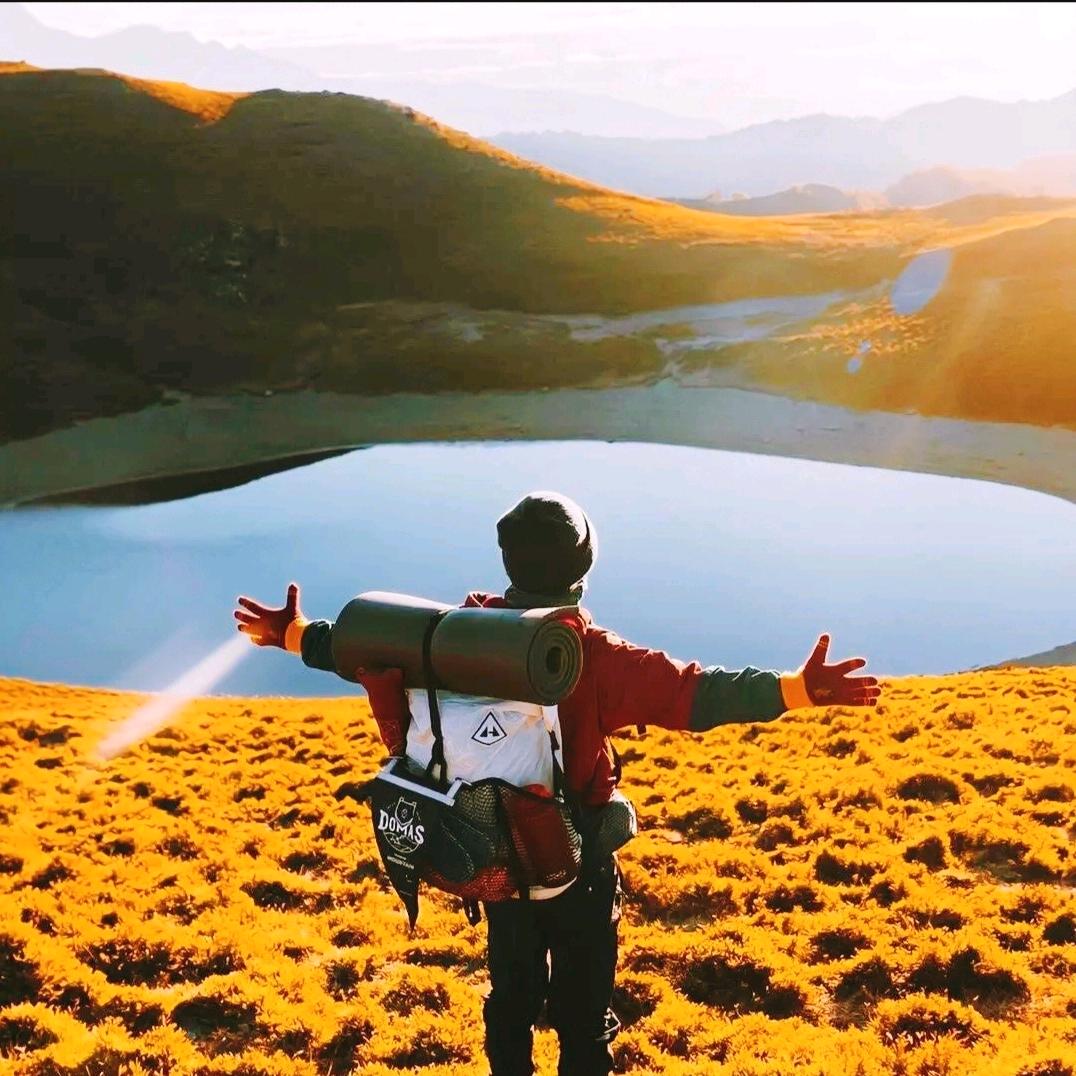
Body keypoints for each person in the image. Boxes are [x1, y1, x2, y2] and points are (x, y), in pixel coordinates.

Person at [234, 491, 881, 1076]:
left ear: (508, 560)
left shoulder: (446, 638)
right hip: (577, 865)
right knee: (582, 1016)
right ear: (582, 567)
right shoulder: (586, 654)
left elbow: (352, 647)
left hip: (490, 854)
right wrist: (798, 690)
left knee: (510, 997)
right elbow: (696, 694)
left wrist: (288, 633)